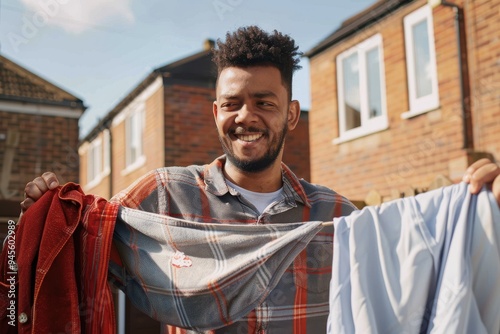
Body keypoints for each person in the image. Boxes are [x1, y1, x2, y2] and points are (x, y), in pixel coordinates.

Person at [18, 26, 500, 333]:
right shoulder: (163, 194)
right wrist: (46, 210)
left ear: (291, 115)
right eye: (232, 103)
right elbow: (77, 242)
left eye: (264, 103)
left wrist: (479, 204)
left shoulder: (339, 216)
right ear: (215, 113)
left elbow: (434, 274)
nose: (246, 116)